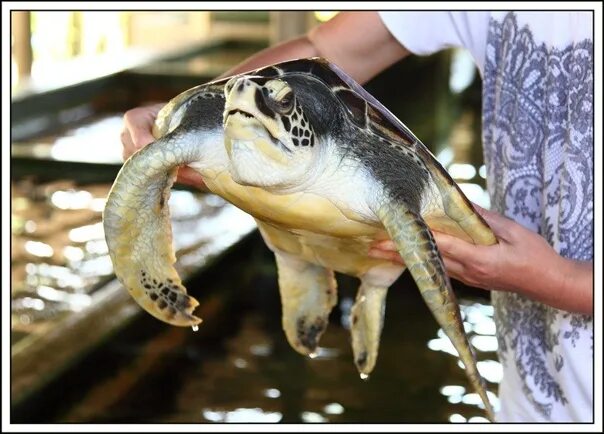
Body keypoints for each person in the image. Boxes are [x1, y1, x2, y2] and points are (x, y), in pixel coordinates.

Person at [120, 11, 594, 422]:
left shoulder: (376, 178)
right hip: (532, 393)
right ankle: (300, 263)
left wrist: (558, 280)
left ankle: (369, 289)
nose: (242, 100)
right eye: (236, 99)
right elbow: (321, 50)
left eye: (278, 104)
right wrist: (186, 110)